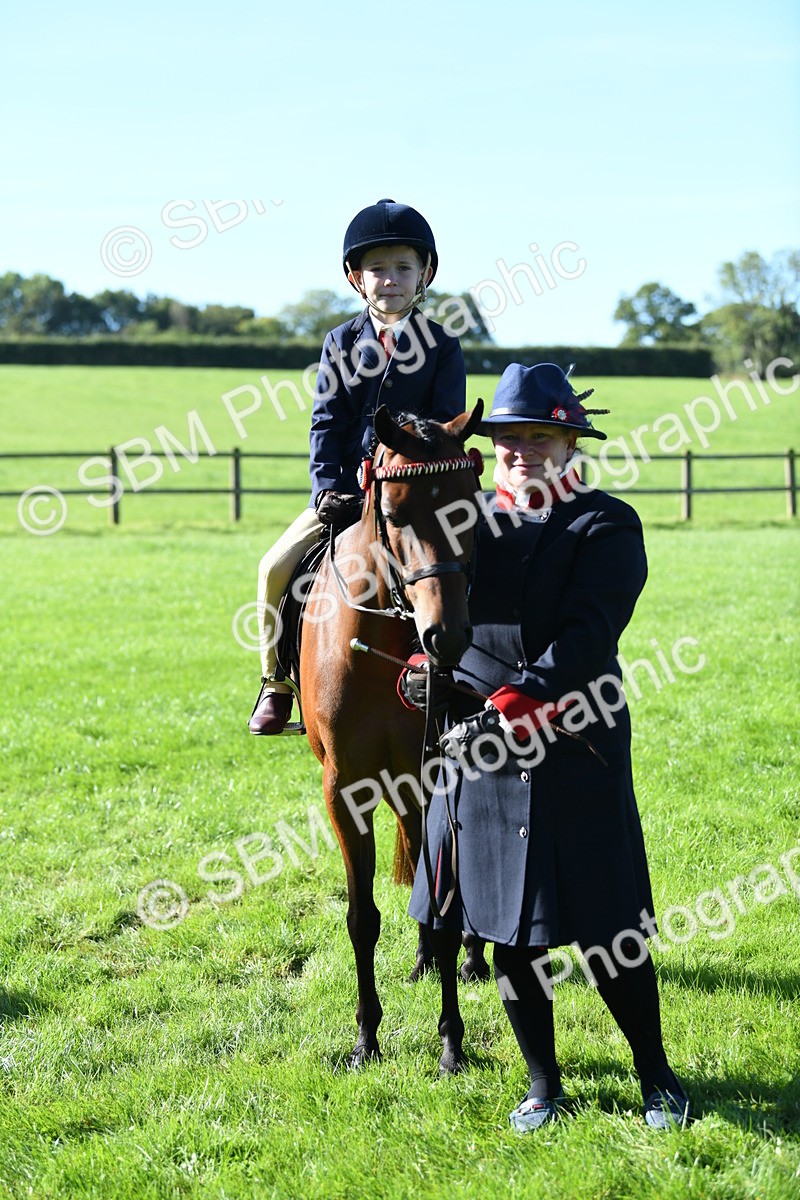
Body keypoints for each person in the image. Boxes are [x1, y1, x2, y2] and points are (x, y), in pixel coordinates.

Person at [401, 363, 690, 1131]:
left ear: (570, 442)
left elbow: (589, 638)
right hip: (483, 761)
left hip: (577, 749)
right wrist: (425, 672)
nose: (521, 452)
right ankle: (541, 1086)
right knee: (508, 937)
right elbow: (439, 611)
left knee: (611, 936)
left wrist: (511, 702)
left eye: (539, 437)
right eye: (508, 440)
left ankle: (657, 1078)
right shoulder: (470, 525)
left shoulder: (607, 523)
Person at [249, 198, 467, 734]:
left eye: (403, 269)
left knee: (461, 572)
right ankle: (275, 684)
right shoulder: (339, 343)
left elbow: (440, 426)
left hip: (415, 495)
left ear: (425, 275)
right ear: (355, 277)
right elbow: (326, 422)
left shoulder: (441, 344)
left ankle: (464, 683)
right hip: (345, 495)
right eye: (377, 269)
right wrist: (327, 489)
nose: (389, 280)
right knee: (273, 568)